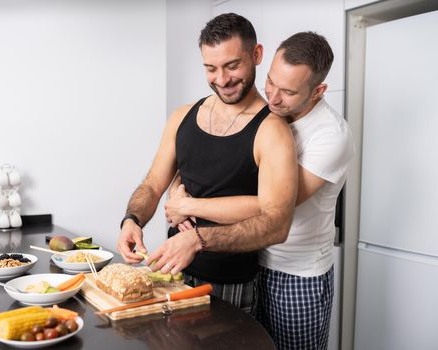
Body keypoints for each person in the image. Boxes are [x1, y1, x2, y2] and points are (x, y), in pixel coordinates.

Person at [158, 32, 354, 350]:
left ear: (318, 91)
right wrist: (176, 190)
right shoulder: (259, 115)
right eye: (271, 82)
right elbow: (201, 158)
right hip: (247, 260)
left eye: (288, 92)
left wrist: (189, 206)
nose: (273, 98)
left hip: (294, 276)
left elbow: (274, 205)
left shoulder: (330, 137)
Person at [117, 13, 298, 313]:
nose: (222, 80)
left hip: (230, 287)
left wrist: (197, 240)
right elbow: (152, 183)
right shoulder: (182, 116)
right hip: (169, 275)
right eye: (211, 68)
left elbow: (277, 224)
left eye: (232, 66)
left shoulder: (273, 131)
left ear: (256, 55)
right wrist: (132, 220)